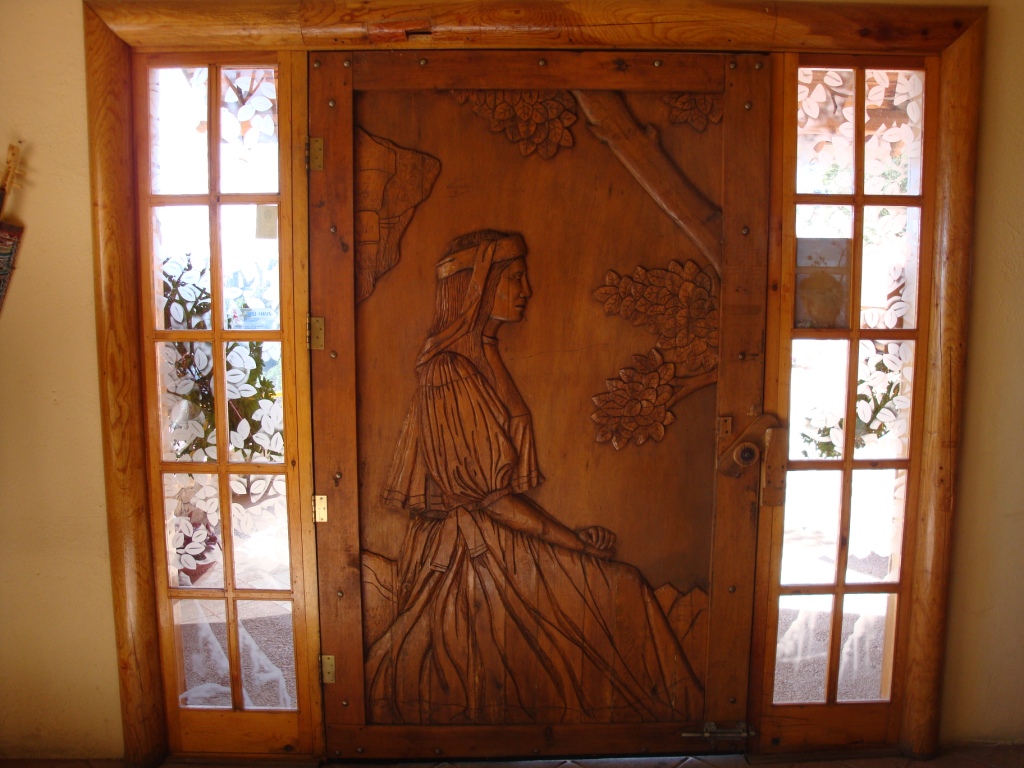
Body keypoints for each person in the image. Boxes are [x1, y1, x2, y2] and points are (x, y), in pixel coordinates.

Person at [366, 229, 703, 724]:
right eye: (516, 279)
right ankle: (675, 721)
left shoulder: (484, 354)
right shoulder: (449, 371)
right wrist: (573, 541)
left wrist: (570, 540)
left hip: (503, 534)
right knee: (621, 587)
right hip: (473, 552)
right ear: (478, 286)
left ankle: (684, 721)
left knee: (623, 588)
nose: (527, 290)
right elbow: (486, 498)